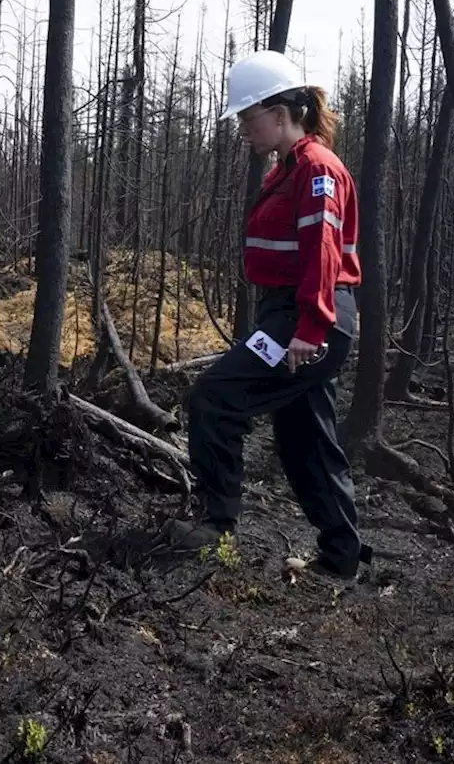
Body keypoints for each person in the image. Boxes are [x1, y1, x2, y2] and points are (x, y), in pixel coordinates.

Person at [163, 50, 368, 581]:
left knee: (215, 395)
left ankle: (214, 524)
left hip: (307, 316)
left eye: (248, 119)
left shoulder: (317, 169)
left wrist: (309, 327)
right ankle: (341, 558)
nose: (243, 131)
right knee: (305, 438)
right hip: (293, 313)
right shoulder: (289, 169)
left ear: (280, 112)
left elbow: (323, 249)